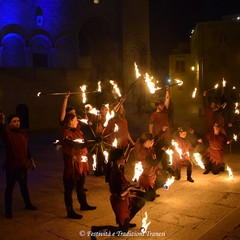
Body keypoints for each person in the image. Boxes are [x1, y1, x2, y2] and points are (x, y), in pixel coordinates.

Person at [0, 113, 37, 218]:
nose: (17, 123)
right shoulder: (7, 134)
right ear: (10, 124)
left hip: (22, 166)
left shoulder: (23, 134)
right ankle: (8, 211)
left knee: (24, 186)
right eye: (14, 121)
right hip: (12, 166)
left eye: (18, 121)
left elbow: (27, 149)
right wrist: (1, 122)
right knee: (10, 188)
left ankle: (28, 204)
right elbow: (2, 131)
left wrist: (32, 161)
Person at [60, 113, 96, 219]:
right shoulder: (65, 134)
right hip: (71, 165)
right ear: (69, 122)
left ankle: (83, 204)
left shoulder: (78, 131)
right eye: (75, 120)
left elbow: (83, 141)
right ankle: (70, 211)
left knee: (80, 184)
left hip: (81, 163)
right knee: (69, 188)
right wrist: (92, 143)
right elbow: (75, 145)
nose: (77, 121)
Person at [105, 148, 145, 232]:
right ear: (118, 159)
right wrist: (131, 188)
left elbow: (124, 187)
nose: (125, 159)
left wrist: (129, 149)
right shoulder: (116, 172)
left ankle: (126, 222)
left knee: (140, 201)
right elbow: (121, 193)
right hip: (119, 201)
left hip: (124, 198)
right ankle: (95, 230)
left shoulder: (117, 168)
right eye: (123, 157)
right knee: (122, 231)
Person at [129, 132, 161, 201]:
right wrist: (162, 153)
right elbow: (153, 163)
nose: (152, 142)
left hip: (152, 173)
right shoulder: (142, 152)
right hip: (145, 176)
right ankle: (135, 192)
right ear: (145, 142)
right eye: (150, 141)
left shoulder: (150, 148)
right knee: (151, 198)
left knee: (163, 178)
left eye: (153, 140)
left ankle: (152, 191)